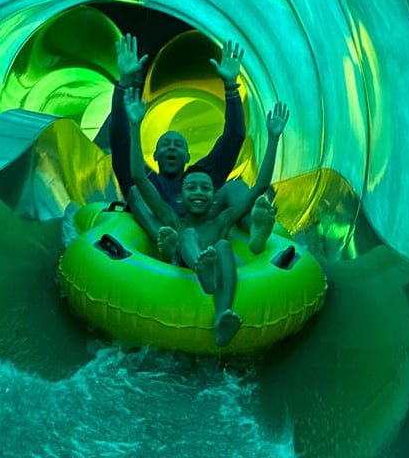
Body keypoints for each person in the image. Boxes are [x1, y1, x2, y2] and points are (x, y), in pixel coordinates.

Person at [124, 87, 290, 347]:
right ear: (181, 198)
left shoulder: (222, 220)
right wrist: (134, 125)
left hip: (214, 273)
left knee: (223, 245)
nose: (198, 192)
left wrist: (273, 138)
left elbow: (259, 185)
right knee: (188, 235)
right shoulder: (173, 219)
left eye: (204, 188)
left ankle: (222, 316)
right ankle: (201, 267)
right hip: (183, 264)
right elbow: (136, 176)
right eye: (191, 188)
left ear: (214, 199)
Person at [106, 34, 277, 259]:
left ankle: (254, 230)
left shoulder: (199, 179)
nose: (171, 148)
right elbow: (119, 141)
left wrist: (230, 85)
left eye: (178, 145)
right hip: (166, 228)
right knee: (135, 193)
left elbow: (234, 137)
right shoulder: (148, 179)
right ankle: (167, 244)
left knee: (235, 187)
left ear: (188, 156)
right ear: (154, 154)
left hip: (204, 224)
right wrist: (124, 83)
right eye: (165, 144)